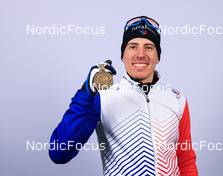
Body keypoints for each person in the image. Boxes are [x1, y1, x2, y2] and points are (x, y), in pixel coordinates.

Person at [49, 16, 198, 176]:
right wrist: (86, 93)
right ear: (122, 55)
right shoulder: (102, 97)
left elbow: (185, 161)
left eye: (149, 47)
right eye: (133, 47)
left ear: (158, 57)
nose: (141, 54)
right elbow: (59, 153)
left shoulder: (176, 99)